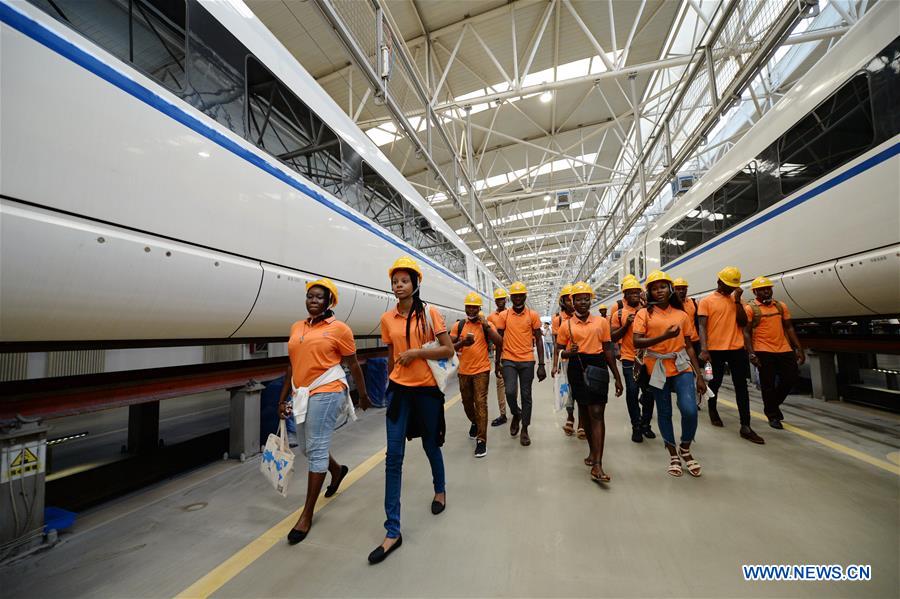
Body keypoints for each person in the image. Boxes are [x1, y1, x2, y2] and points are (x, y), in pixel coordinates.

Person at [369, 257, 455, 565]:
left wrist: (417, 352)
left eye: (404, 281)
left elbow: (449, 350)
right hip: (400, 392)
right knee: (394, 458)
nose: (398, 285)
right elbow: (392, 355)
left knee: (431, 445)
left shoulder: (430, 313)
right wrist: (390, 384)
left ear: (415, 284)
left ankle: (440, 490)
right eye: (395, 281)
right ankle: (393, 530)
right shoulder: (387, 318)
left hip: (427, 391)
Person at [278, 278, 370, 545]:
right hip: (302, 392)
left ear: (330, 302)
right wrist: (282, 397)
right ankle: (338, 470)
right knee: (307, 447)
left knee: (316, 448)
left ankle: (306, 514)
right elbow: (291, 365)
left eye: (319, 297)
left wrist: (362, 395)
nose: (313, 301)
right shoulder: (297, 327)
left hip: (328, 390)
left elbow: (353, 364)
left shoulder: (340, 329)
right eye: (310, 296)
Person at [633, 271, 707, 478]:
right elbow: (636, 342)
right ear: (649, 292)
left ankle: (685, 447)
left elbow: (690, 345)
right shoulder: (644, 314)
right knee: (664, 411)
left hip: (681, 365)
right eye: (654, 288)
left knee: (689, 409)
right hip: (656, 366)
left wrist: (699, 375)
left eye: (663, 287)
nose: (659, 291)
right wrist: (664, 336)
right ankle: (673, 453)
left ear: (670, 289)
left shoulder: (682, 315)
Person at [553, 282, 623, 482]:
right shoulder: (566, 325)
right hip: (577, 368)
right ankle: (593, 452)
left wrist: (617, 377)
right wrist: (567, 352)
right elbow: (559, 351)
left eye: (586, 298)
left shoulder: (601, 323)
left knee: (597, 413)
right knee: (584, 411)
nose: (583, 302)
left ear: (590, 300)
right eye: (578, 299)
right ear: (572, 302)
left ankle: (598, 464)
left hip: (598, 366)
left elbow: (608, 351)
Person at [698, 266, 764, 444]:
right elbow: (702, 326)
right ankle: (713, 410)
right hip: (715, 350)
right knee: (715, 382)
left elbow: (743, 323)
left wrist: (737, 300)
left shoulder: (737, 301)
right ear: (719, 282)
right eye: (727, 285)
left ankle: (746, 426)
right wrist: (704, 349)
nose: (729, 289)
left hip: (736, 349)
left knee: (741, 387)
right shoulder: (707, 301)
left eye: (732, 286)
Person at [742, 276, 805, 429]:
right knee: (768, 384)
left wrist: (799, 348)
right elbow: (746, 333)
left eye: (768, 289)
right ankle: (773, 416)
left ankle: (772, 406)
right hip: (763, 350)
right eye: (763, 290)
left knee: (790, 378)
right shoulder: (750, 309)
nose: (766, 292)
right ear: (755, 292)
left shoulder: (780, 306)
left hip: (784, 348)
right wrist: (751, 353)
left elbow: (789, 327)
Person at [451, 292, 503, 457]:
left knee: (481, 403)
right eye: (469, 307)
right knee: (467, 402)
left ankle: (482, 440)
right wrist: (462, 343)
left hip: (481, 370)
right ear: (465, 308)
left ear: (479, 308)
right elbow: (449, 347)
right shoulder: (458, 326)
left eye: (475, 307)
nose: (472, 310)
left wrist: (486, 325)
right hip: (463, 371)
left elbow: (499, 342)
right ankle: (474, 422)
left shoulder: (485, 324)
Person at [495, 281, 546, 446]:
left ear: (525, 296)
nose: (517, 298)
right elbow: (498, 341)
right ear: (511, 298)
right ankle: (516, 413)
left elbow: (538, 340)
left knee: (526, 395)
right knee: (509, 392)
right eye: (514, 295)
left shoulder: (533, 315)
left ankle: (525, 428)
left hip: (527, 361)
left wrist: (541, 365)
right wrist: (497, 362)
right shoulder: (504, 316)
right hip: (508, 359)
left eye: (520, 295)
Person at [610, 275, 656, 443]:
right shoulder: (619, 314)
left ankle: (646, 424)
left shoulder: (648, 310)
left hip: (649, 358)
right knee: (632, 392)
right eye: (632, 293)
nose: (636, 295)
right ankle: (636, 426)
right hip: (630, 358)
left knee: (650, 394)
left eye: (638, 292)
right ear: (625, 295)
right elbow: (613, 337)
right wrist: (626, 325)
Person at [551, 284, 578, 436]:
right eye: (568, 300)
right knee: (568, 390)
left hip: (582, 358)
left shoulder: (582, 315)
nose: (571, 303)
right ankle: (570, 416)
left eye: (572, 299)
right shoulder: (558, 320)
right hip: (566, 360)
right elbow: (556, 344)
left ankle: (581, 422)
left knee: (582, 389)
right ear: (563, 302)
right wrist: (555, 365)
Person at [673, 277, 702, 408]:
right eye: (678, 289)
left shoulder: (693, 303)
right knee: (684, 373)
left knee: (696, 372)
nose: (681, 291)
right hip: (680, 344)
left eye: (683, 289)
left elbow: (698, 323)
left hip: (694, 342)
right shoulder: (671, 305)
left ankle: (694, 399)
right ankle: (684, 397)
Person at [487, 288, 509, 427]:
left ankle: (514, 408)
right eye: (498, 299)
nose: (500, 301)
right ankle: (503, 414)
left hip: (512, 353)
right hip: (499, 354)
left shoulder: (511, 314)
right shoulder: (491, 318)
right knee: (500, 384)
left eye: (503, 299)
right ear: (495, 301)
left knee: (512, 386)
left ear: (506, 300)